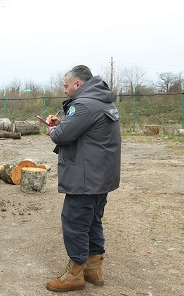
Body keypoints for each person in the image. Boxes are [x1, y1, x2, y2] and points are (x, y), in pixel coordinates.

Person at [44, 65, 121, 292]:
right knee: (93, 220)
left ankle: (75, 273)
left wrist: (52, 129)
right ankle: (93, 269)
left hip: (85, 178)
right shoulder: (103, 101)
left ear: (78, 84)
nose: (65, 90)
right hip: (101, 177)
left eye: (66, 86)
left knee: (74, 222)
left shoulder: (84, 105)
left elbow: (62, 136)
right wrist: (64, 124)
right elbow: (85, 131)